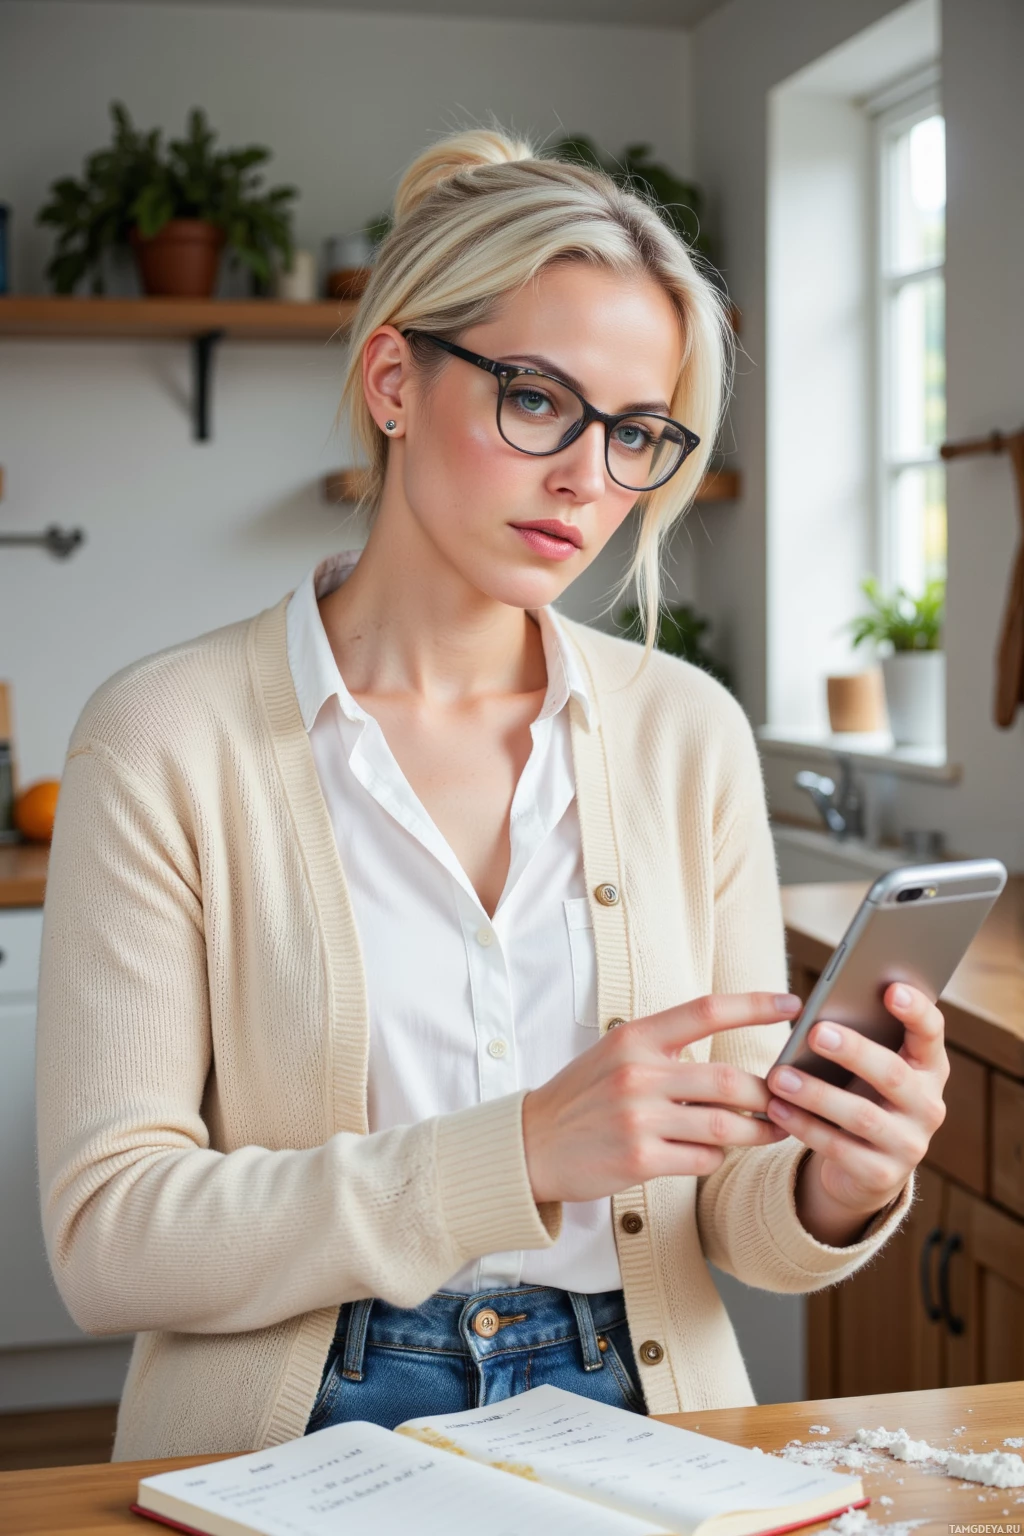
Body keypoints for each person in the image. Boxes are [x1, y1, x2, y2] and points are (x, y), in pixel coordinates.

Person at [36, 128, 948, 1463]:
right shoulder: (164, 736)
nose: (588, 476)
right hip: (289, 1432)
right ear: (394, 378)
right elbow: (109, 1239)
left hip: (644, 1413)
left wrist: (838, 1180)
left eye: (636, 431)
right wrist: (513, 1153)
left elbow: (735, 1213)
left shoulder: (687, 733)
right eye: (537, 399)